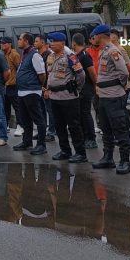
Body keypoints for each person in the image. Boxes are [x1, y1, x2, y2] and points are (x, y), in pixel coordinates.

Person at [90, 25, 130, 175]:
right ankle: (108, 158)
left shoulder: (113, 51)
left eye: (94, 36)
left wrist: (119, 87)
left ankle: (125, 161)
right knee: (106, 129)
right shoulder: (103, 51)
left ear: (100, 36)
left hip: (114, 96)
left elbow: (124, 72)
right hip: (104, 96)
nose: (92, 39)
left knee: (120, 129)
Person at [44, 32, 87, 163]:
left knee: (73, 126)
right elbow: (49, 75)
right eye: (50, 41)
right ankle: (65, 150)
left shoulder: (71, 57)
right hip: (54, 96)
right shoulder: (50, 56)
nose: (51, 43)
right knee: (59, 126)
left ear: (62, 43)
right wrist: (47, 88)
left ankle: (80, 153)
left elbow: (81, 75)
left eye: (54, 41)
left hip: (68, 97)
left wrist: (75, 89)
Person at [12, 33, 48, 155]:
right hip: (22, 92)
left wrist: (37, 86)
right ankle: (27, 141)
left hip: (32, 92)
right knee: (25, 119)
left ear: (26, 41)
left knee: (38, 119)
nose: (18, 41)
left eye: (20, 39)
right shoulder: (25, 54)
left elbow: (42, 75)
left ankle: (41, 145)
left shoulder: (35, 55)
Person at [71, 33, 98, 149]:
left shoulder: (84, 56)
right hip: (78, 89)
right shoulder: (76, 56)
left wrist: (96, 86)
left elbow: (92, 73)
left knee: (86, 114)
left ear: (74, 43)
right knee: (80, 114)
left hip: (86, 89)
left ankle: (91, 139)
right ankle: (84, 137)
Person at [34, 35, 56, 142]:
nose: (34, 43)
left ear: (43, 43)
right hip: (39, 88)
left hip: (46, 87)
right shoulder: (37, 55)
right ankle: (42, 131)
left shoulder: (48, 55)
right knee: (41, 110)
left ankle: (51, 132)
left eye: (36, 41)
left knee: (50, 111)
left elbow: (48, 73)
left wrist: (47, 88)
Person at [1, 37, 22, 136]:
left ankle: (20, 126)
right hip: (5, 85)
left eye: (4, 43)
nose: (2, 45)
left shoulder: (14, 54)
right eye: (1, 43)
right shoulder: (3, 55)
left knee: (17, 107)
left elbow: (19, 69)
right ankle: (6, 125)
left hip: (13, 85)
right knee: (6, 107)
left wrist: (18, 81)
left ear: (9, 44)